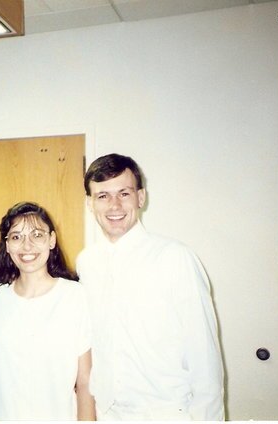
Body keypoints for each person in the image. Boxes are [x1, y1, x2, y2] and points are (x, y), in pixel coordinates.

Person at [77, 153, 224, 420]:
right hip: (107, 413)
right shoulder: (86, 262)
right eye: (102, 196)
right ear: (90, 203)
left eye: (124, 193)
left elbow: (205, 358)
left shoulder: (175, 257)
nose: (114, 205)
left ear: (141, 197)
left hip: (165, 413)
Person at [0, 202, 95, 421]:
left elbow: (85, 382)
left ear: (52, 240)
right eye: (16, 237)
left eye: (37, 235)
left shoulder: (75, 296)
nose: (27, 246)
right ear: (7, 245)